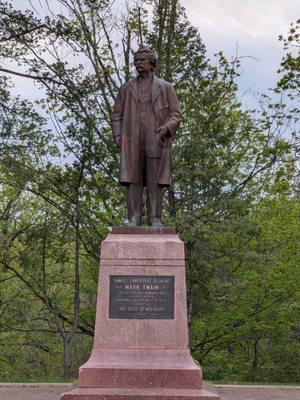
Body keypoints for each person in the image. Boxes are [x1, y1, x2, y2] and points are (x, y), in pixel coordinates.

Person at [111, 47, 182, 227]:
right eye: (136, 60)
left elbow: (176, 114)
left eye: (142, 60)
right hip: (131, 140)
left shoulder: (166, 88)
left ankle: (155, 218)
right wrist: (118, 135)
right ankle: (133, 218)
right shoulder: (126, 88)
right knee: (132, 179)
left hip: (155, 139)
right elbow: (116, 115)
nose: (138, 63)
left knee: (155, 180)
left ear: (152, 63)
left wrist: (165, 129)